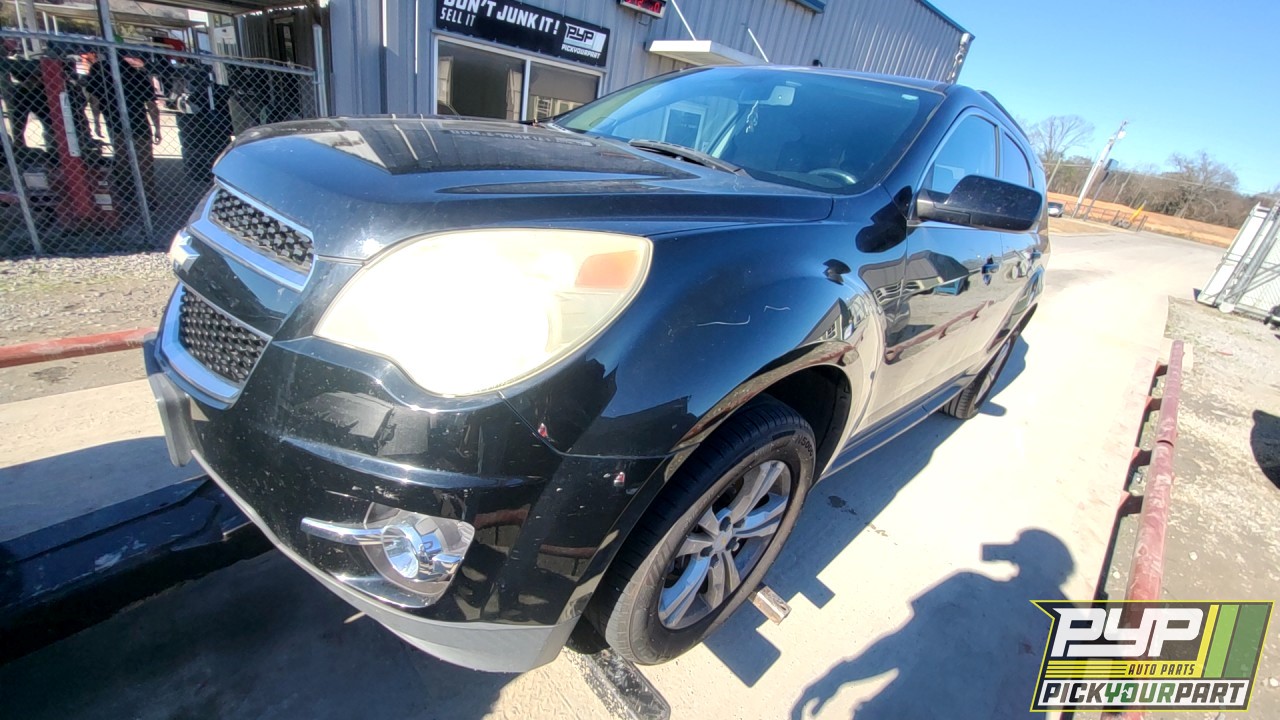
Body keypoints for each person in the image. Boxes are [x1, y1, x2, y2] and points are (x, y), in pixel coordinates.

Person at [84, 53, 161, 204]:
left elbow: (95, 101)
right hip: (138, 124)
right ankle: (147, 198)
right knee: (143, 163)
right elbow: (151, 104)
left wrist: (96, 122)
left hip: (116, 123)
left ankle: (129, 196)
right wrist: (157, 127)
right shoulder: (135, 75)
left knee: (124, 161)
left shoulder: (101, 74)